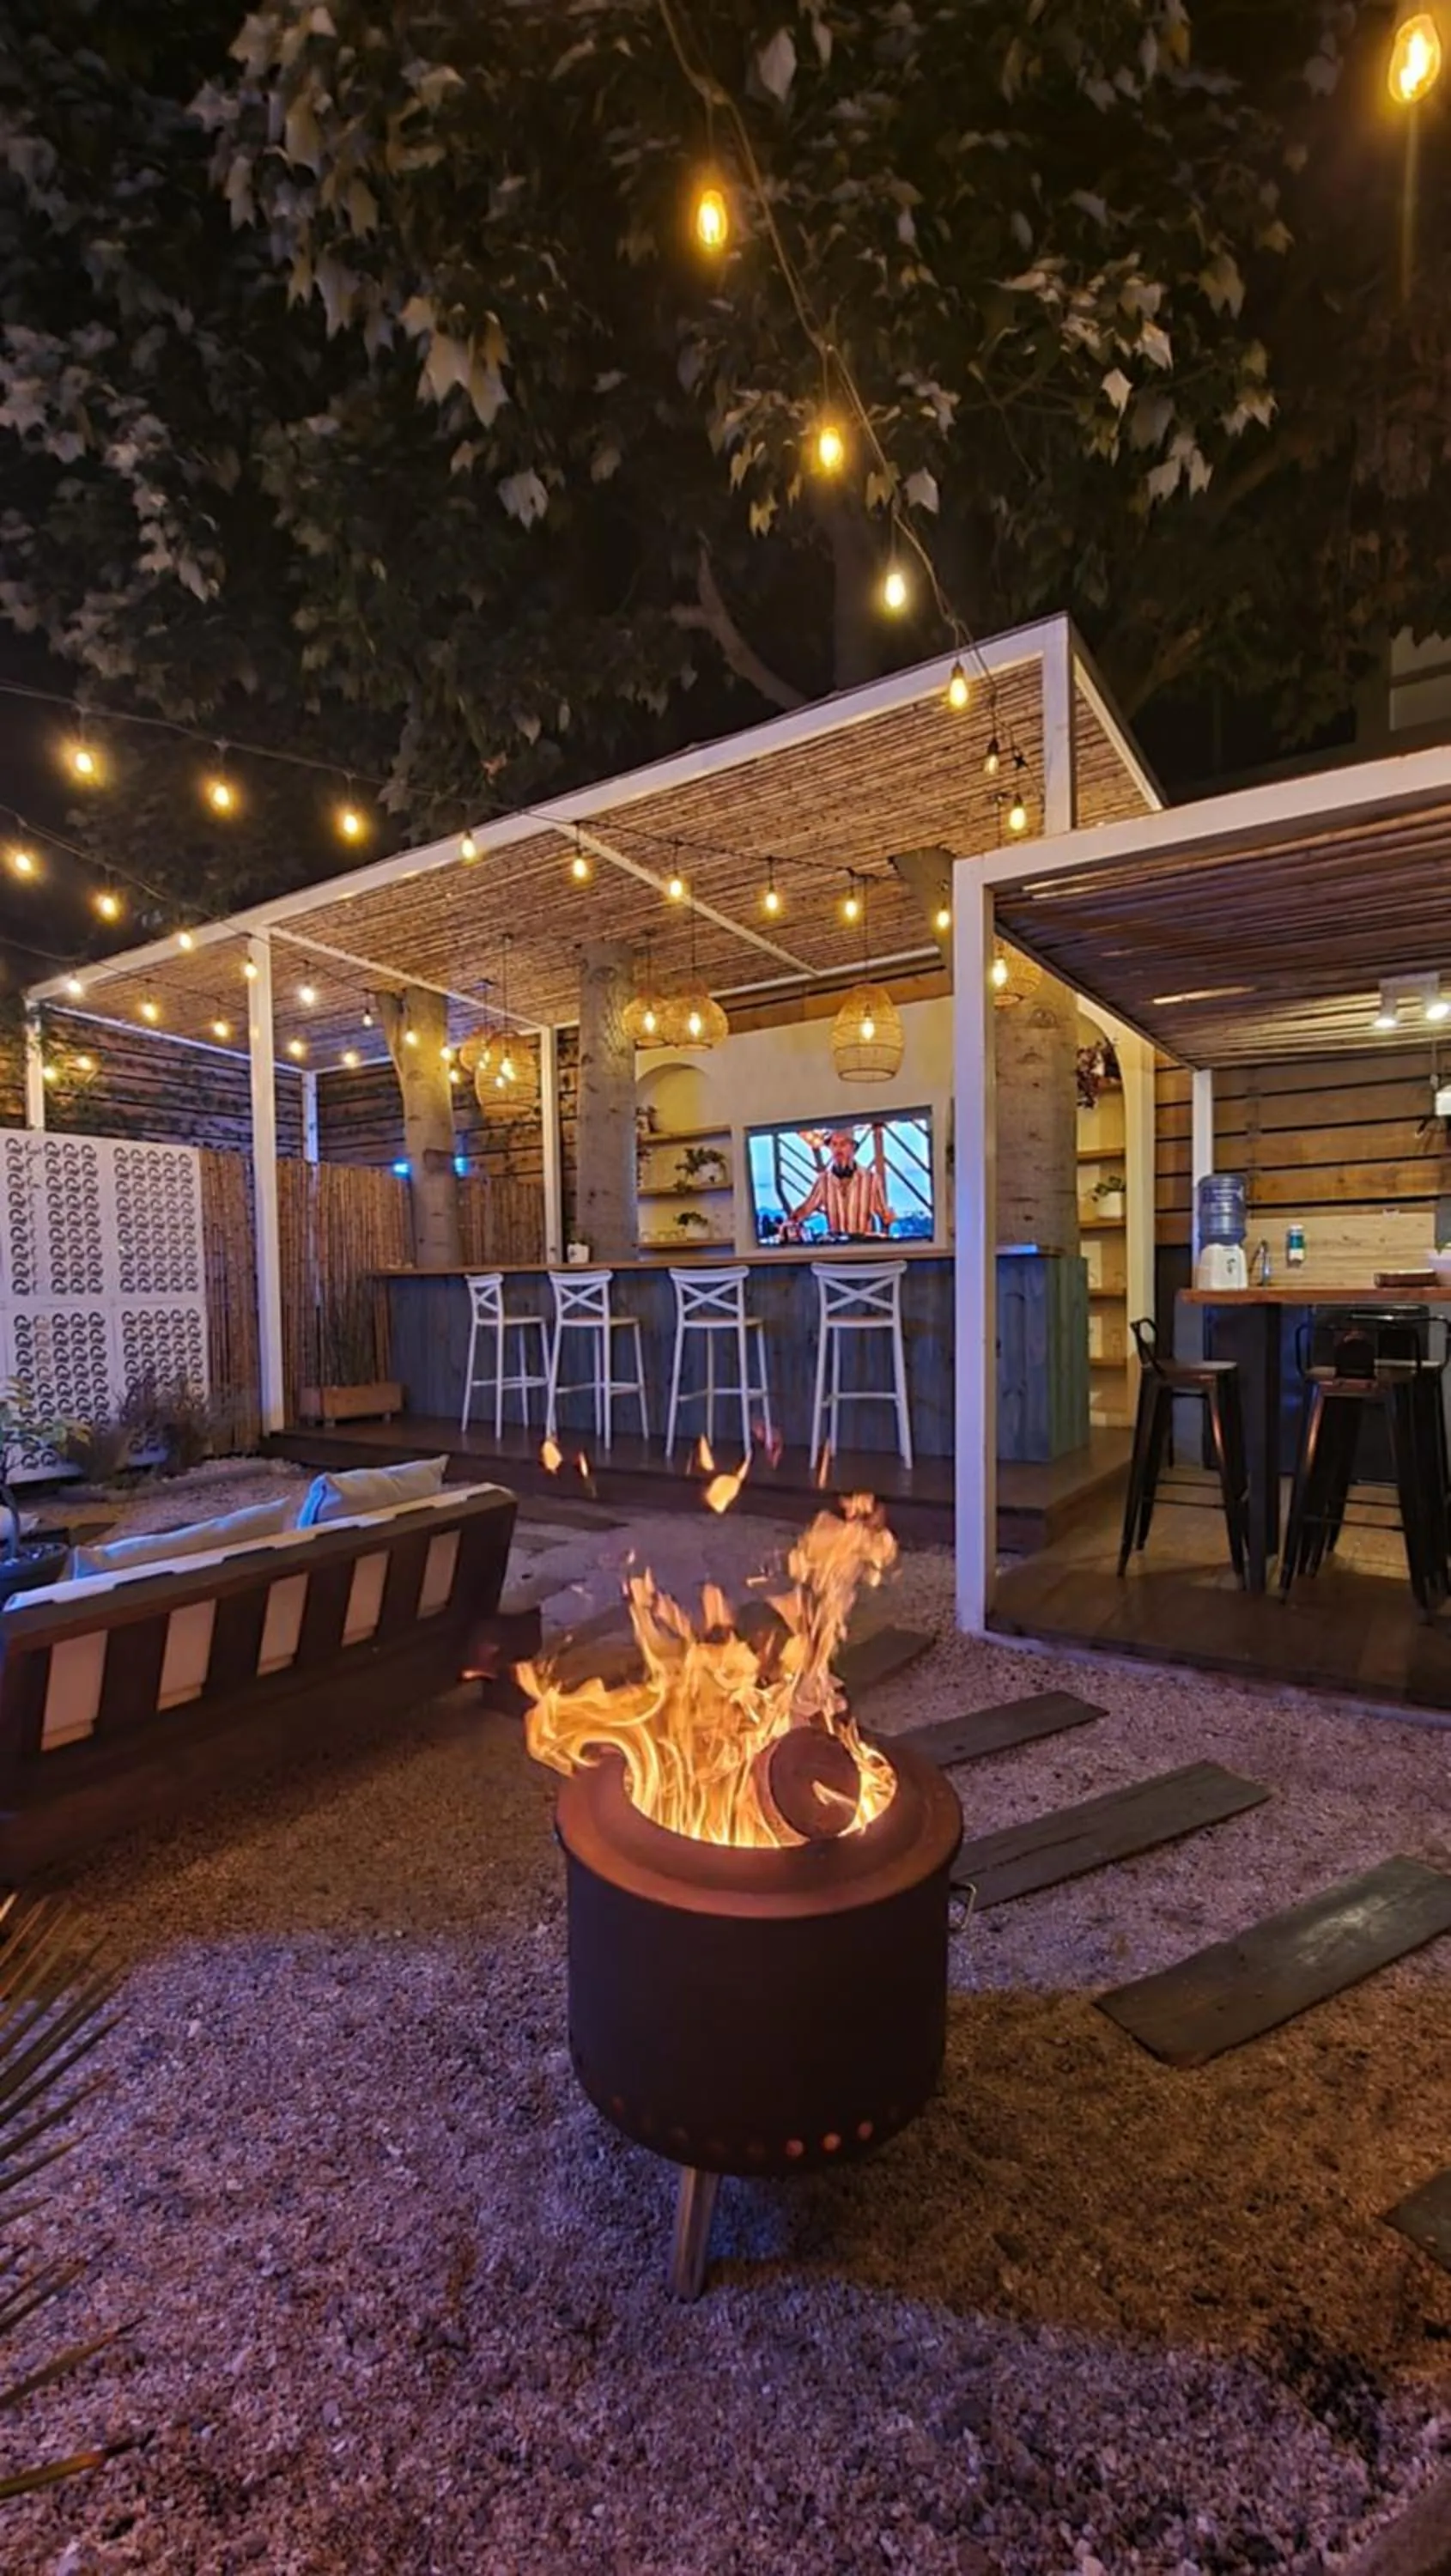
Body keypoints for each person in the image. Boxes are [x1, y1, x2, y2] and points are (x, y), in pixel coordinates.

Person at [790, 1129, 895, 1238]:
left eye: (843, 1144)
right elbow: (807, 1208)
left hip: (862, 1248)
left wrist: (889, 1218)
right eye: (834, 1144)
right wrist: (791, 1221)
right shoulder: (823, 1180)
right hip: (836, 1250)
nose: (838, 1149)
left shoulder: (872, 1180)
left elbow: (884, 1215)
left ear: (853, 1147)